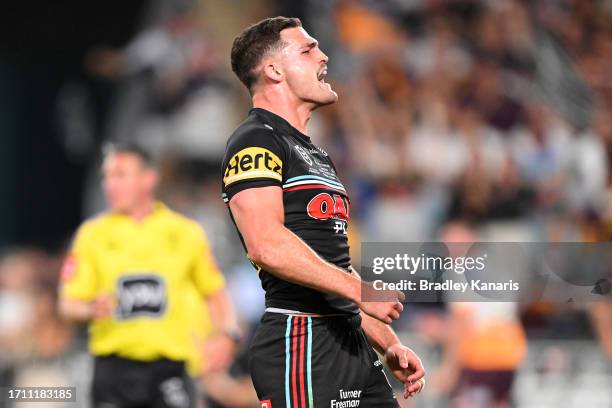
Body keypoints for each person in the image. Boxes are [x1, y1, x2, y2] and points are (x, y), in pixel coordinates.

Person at [222, 16, 425, 407]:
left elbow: (329, 265)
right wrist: (361, 291)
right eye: (307, 49)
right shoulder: (254, 141)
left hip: (348, 343)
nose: (323, 56)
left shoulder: (314, 154)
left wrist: (389, 342)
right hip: (301, 344)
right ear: (274, 69)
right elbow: (265, 244)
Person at [58, 141, 240, 408]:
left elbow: (214, 291)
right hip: (114, 370)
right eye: (106, 176)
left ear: (148, 179)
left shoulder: (185, 233)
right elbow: (67, 304)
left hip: (171, 369)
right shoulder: (92, 235)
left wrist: (227, 334)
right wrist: (89, 309)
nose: (109, 185)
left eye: (120, 175)